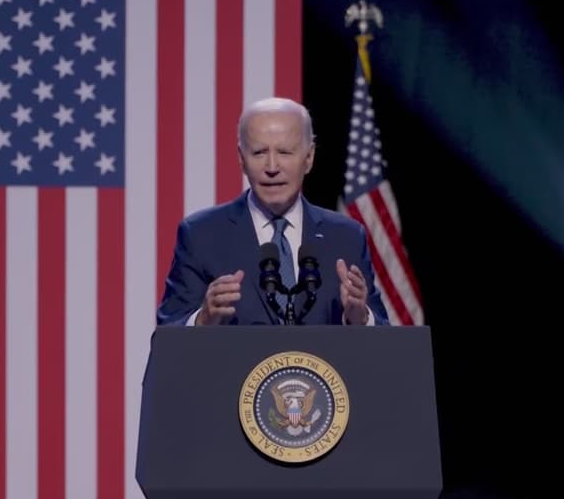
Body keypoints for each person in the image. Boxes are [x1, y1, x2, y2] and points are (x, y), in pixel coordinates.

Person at [155, 97, 389, 327]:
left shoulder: (346, 237)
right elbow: (167, 337)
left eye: (285, 152)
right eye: (259, 153)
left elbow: (384, 338)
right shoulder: (200, 235)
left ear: (309, 158)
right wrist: (203, 320)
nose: (272, 167)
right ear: (241, 159)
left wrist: (361, 318)